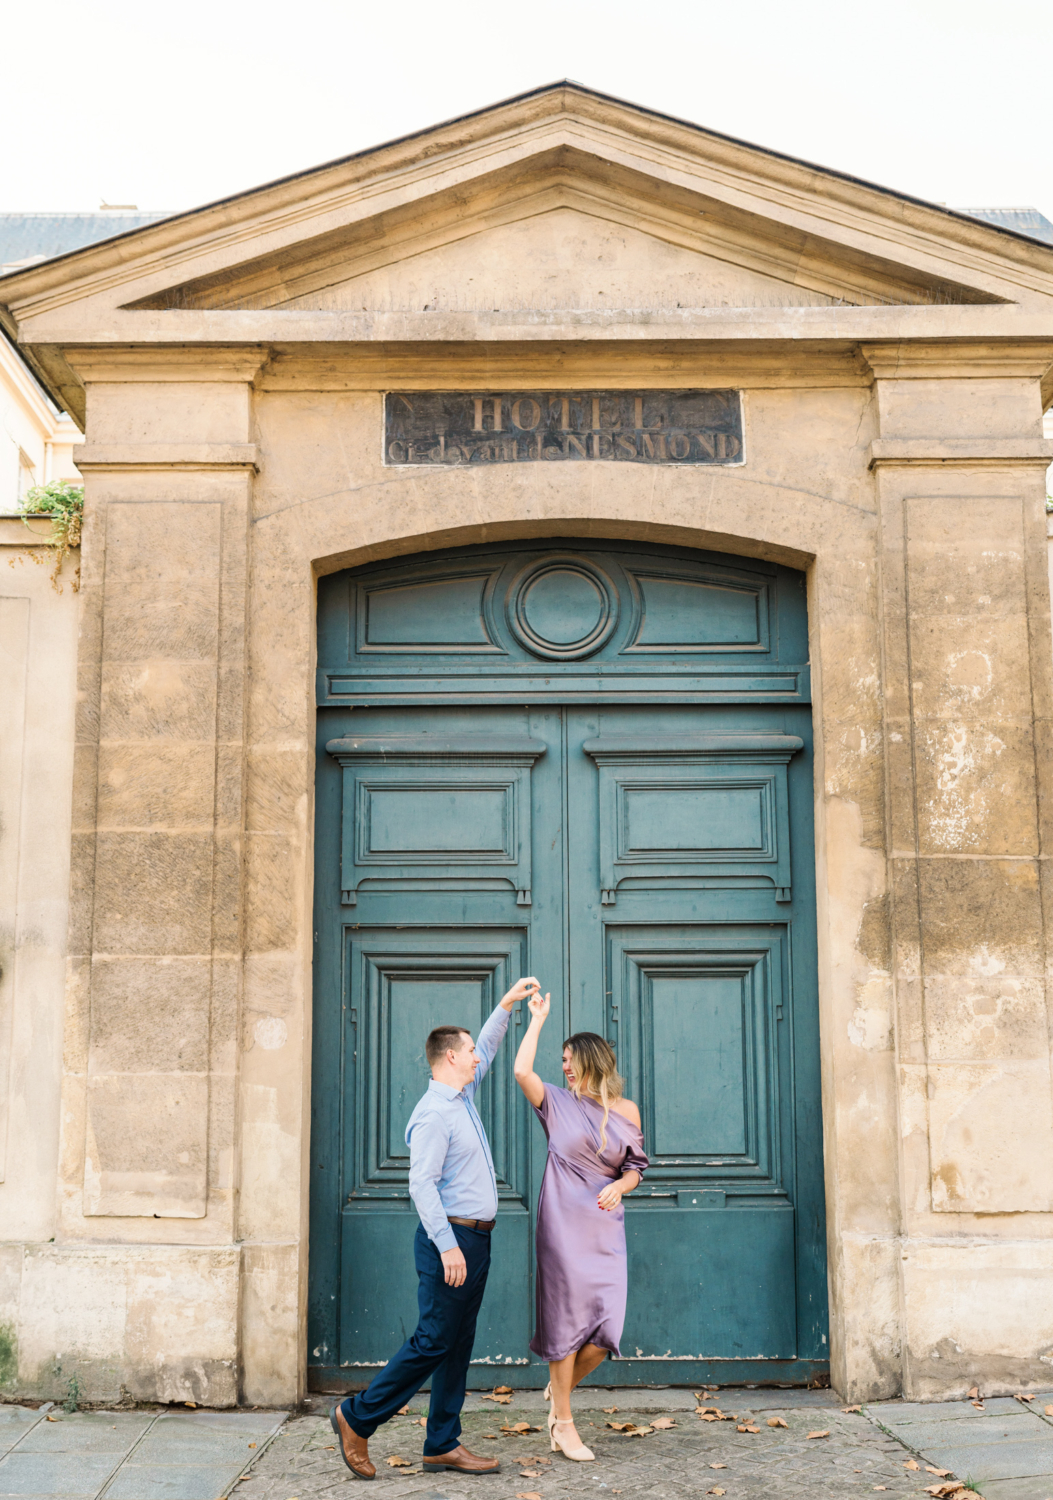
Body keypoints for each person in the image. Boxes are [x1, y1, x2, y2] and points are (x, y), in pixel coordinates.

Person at [330, 976, 540, 1480]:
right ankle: (356, 1417)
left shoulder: (461, 1097)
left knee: (457, 1341)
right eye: (468, 1051)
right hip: (451, 1240)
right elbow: (421, 1186)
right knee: (431, 1340)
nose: (476, 1057)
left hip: (477, 1238)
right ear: (450, 1058)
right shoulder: (433, 1115)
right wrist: (448, 1247)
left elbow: (487, 1045)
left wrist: (505, 1006)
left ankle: (442, 1442)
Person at [513, 991, 648, 1462]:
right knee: (565, 1322)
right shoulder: (554, 1102)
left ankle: (559, 1387)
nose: (565, 1067)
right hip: (563, 1225)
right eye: (563, 1060)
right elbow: (521, 1072)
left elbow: (635, 1166)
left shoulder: (626, 1110)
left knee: (606, 1328)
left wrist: (622, 1187)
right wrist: (537, 1021)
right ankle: (563, 1424)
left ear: (592, 1061)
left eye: (571, 1060)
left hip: (604, 1227)